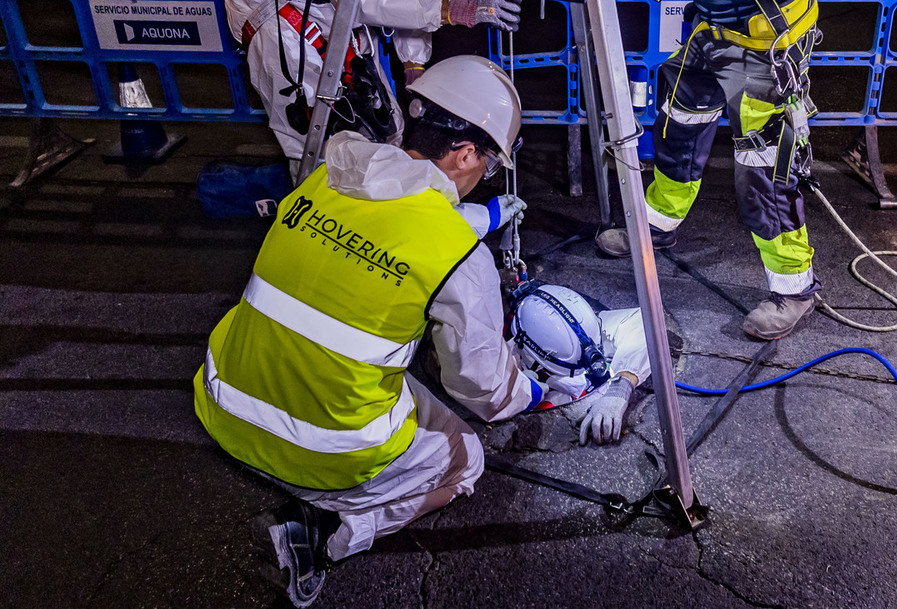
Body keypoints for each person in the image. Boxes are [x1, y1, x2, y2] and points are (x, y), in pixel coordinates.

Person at [193, 56, 542, 608]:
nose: (484, 178)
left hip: (221, 404)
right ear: (469, 153)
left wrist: (483, 218)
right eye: (489, 165)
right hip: (320, 452)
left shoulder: (329, 177)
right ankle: (324, 534)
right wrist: (534, 392)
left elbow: (397, 219)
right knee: (464, 455)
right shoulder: (459, 257)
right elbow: (484, 390)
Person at [595, 0, 822, 341]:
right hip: (713, 30)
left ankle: (795, 288)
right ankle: (658, 223)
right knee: (680, 126)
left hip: (765, 38)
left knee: (764, 172)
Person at [223, 0, 524, 175]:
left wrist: (413, 61)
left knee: (390, 130)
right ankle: (333, 238)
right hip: (283, 26)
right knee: (326, 157)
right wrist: (448, 9)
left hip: (338, 17)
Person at [506, 282, 651, 446]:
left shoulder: (585, 330)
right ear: (531, 358)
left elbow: (645, 321)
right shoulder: (500, 365)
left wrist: (620, 388)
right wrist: (520, 392)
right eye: (556, 372)